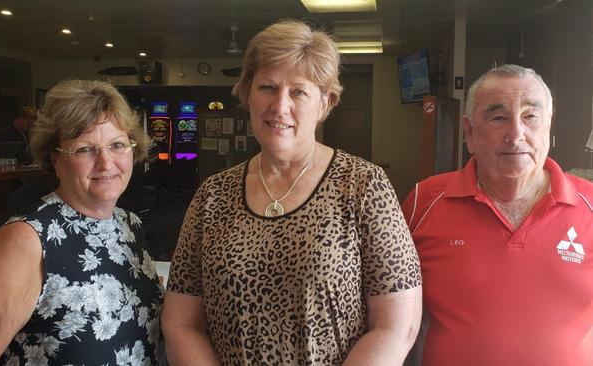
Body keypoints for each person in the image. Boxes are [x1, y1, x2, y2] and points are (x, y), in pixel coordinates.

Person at [162, 19, 422, 365]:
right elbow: (181, 322)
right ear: (247, 94)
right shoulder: (213, 195)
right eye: (267, 87)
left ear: (324, 103)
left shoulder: (363, 185)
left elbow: (396, 326)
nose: (280, 106)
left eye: (298, 91)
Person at [0, 80, 165, 365]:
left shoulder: (129, 224)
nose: (106, 162)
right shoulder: (24, 242)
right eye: (85, 149)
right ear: (55, 159)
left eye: (118, 145)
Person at [402, 64, 593, 365]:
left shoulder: (590, 205)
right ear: (469, 132)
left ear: (548, 125)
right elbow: (389, 311)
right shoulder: (422, 203)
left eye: (531, 116)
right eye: (498, 117)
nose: (516, 133)